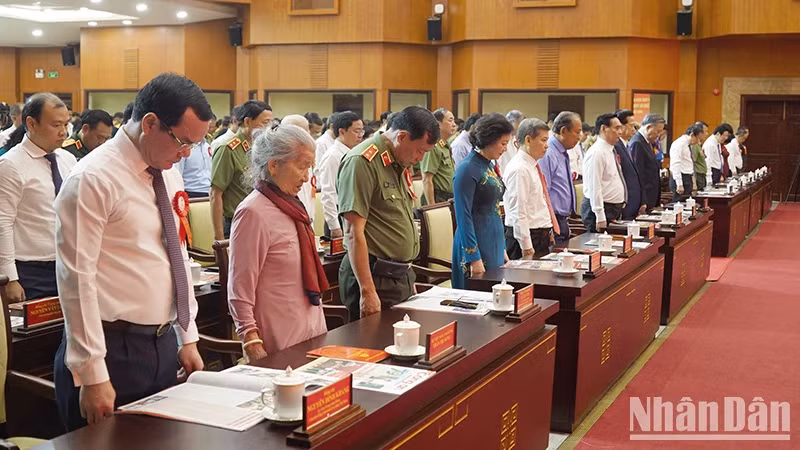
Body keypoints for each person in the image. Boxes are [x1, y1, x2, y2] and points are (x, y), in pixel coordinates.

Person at [54, 73, 211, 431]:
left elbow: (176, 254)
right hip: (111, 349)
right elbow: (76, 280)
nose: (186, 154)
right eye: (182, 142)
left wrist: (187, 336)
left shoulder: (166, 170)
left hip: (161, 343)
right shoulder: (93, 178)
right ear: (151, 124)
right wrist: (92, 373)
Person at [227, 124, 327, 362]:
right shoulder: (253, 212)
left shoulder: (292, 205)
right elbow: (240, 287)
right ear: (274, 165)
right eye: (302, 166)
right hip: (279, 339)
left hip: (312, 330)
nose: (306, 176)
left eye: (310, 167)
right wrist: (251, 340)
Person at [337, 106, 439, 320]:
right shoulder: (362, 162)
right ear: (401, 136)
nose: (421, 158)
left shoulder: (399, 160)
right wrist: (368, 291)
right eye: (420, 150)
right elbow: (353, 232)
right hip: (375, 277)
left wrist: (408, 279)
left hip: (399, 276)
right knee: (374, 348)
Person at [0, 93, 75, 302]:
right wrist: (10, 278)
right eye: (56, 125)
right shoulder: (10, 165)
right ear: (31, 123)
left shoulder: (68, 159)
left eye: (66, 124)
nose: (63, 132)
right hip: (30, 270)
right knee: (40, 334)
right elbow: (3, 223)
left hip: (68, 265)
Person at [451, 113, 512, 289]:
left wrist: (501, 248)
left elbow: (494, 208)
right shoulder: (467, 168)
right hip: (473, 243)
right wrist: (473, 257)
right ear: (489, 140)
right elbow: (463, 216)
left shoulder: (489, 164)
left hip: (493, 239)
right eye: (503, 143)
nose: (505, 149)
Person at [210, 100, 273, 239]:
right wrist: (219, 238)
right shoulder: (228, 149)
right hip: (237, 222)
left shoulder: (262, 149)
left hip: (262, 220)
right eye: (265, 123)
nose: (268, 128)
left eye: (271, 123)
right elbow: (216, 193)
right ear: (248, 121)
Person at [503, 118, 558, 259]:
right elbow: (518, 211)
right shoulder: (519, 169)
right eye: (543, 140)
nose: (547, 146)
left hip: (539, 234)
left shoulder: (532, 165)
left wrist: (549, 231)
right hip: (526, 237)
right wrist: (526, 246)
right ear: (528, 140)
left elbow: (539, 202)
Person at [319, 111, 363, 238]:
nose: (360, 135)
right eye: (356, 131)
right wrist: (334, 226)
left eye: (362, 131)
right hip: (338, 216)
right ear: (342, 131)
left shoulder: (353, 152)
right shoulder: (333, 156)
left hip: (353, 213)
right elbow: (328, 193)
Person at [539, 111, 581, 244]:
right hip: (553, 220)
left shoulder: (562, 152)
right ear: (563, 131)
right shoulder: (549, 153)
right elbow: (544, 192)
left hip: (563, 219)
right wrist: (550, 226)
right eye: (577, 132)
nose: (579, 137)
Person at [581, 113, 625, 232]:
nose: (620, 132)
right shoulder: (597, 152)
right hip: (600, 209)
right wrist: (600, 215)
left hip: (612, 208)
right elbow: (594, 186)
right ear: (604, 128)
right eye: (617, 128)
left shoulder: (610, 150)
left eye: (621, 128)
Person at [281, 115, 317, 224]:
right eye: (302, 131)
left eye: (307, 130)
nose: (308, 134)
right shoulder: (283, 162)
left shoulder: (308, 156)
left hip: (307, 219)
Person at [421, 108, 457, 205]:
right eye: (450, 120)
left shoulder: (445, 145)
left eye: (454, 120)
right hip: (438, 198)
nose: (454, 124)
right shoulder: (433, 146)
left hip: (448, 197)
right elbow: (427, 179)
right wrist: (432, 207)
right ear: (438, 123)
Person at [631, 113, 666, 211]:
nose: (659, 135)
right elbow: (638, 175)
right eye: (658, 131)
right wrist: (643, 201)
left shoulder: (647, 142)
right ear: (649, 127)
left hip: (651, 196)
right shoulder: (637, 143)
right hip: (645, 198)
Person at [614, 109, 643, 220]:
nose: (634, 130)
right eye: (631, 126)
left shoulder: (625, 145)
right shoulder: (616, 146)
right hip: (625, 203)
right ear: (621, 126)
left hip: (633, 202)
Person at [670, 122, 705, 202]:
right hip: (680, 178)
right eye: (698, 139)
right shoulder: (679, 144)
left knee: (687, 204)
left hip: (687, 177)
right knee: (679, 204)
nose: (698, 142)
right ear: (692, 135)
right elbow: (675, 164)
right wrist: (679, 183)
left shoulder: (687, 145)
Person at [175, 131, 213, 198]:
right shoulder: (185, 148)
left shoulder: (207, 146)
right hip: (192, 192)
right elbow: (177, 173)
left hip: (209, 191)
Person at [496, 110, 525, 175]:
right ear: (511, 122)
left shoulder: (515, 138)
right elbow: (498, 161)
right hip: (503, 175)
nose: (520, 128)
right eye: (519, 124)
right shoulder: (501, 137)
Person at [691, 121, 710, 191]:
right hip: (698, 176)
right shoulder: (694, 145)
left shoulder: (699, 145)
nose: (706, 134)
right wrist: (694, 182)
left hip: (702, 175)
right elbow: (693, 163)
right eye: (705, 132)